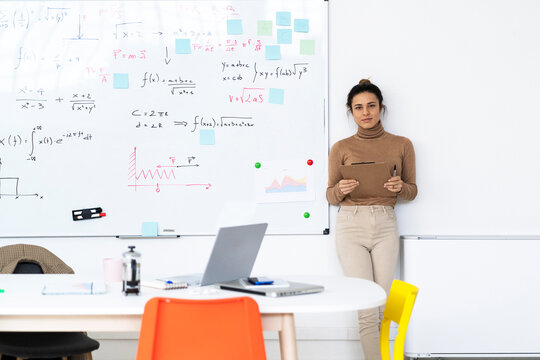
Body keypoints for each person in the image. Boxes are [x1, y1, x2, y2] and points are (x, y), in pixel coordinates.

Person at [326, 79, 417, 360]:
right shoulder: (341, 147)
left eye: (371, 106)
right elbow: (329, 195)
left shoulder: (402, 144)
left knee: (382, 303)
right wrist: (340, 190)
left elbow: (412, 191)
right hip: (351, 224)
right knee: (366, 306)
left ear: (381, 108)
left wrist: (399, 187)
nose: (365, 112)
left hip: (385, 222)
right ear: (350, 112)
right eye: (358, 107)